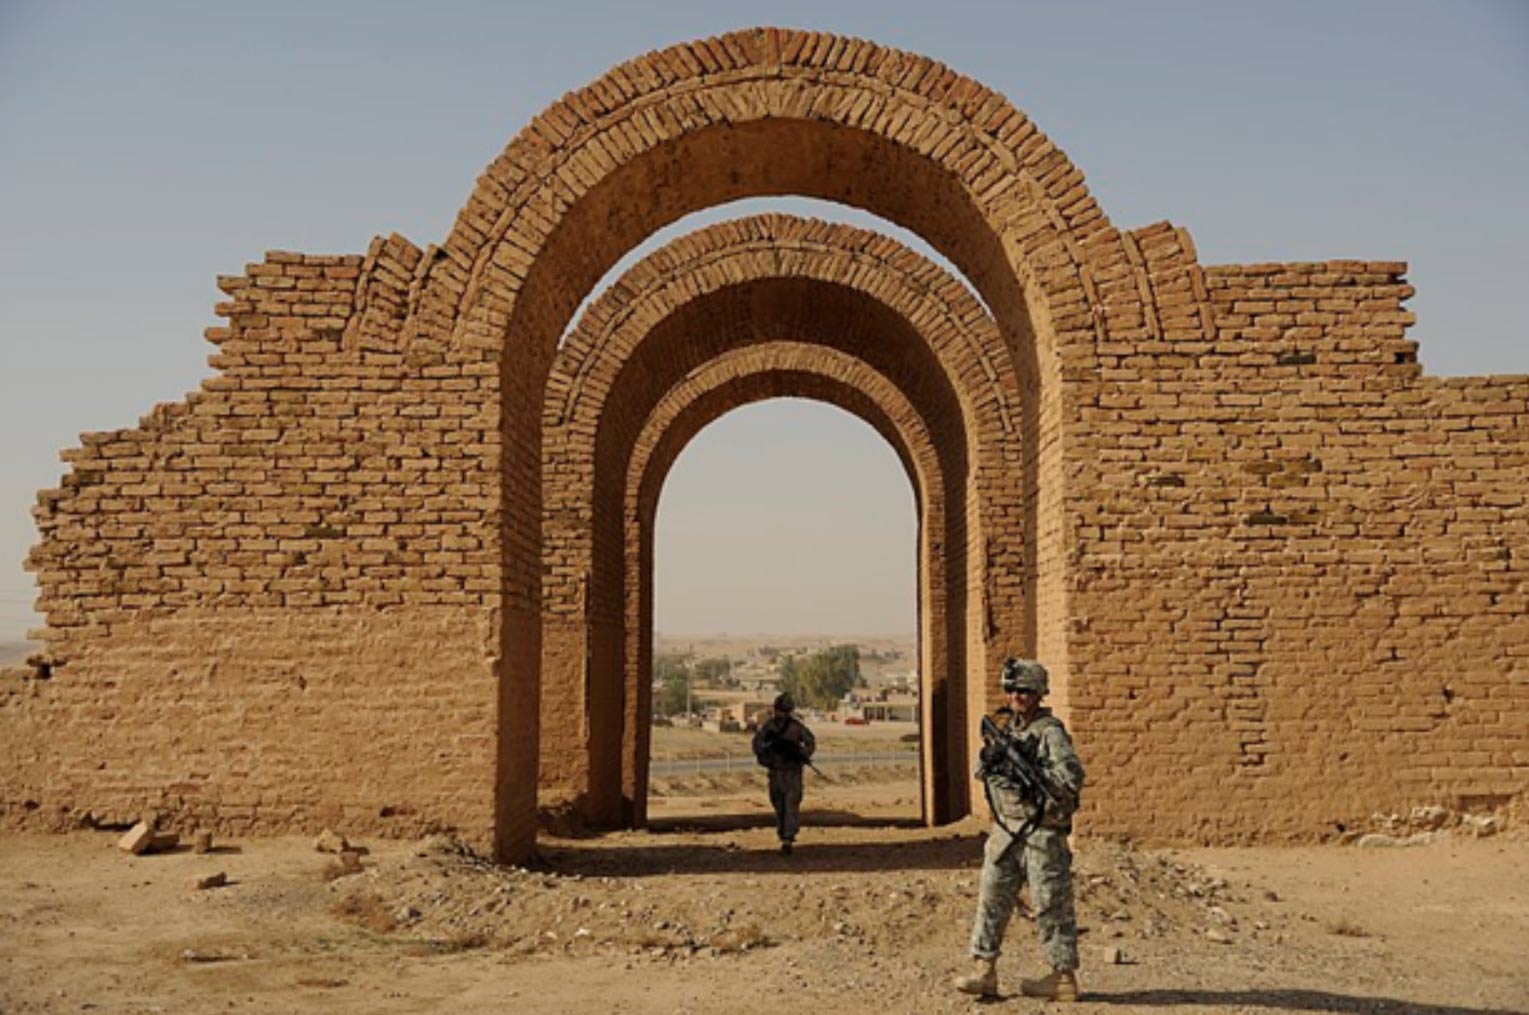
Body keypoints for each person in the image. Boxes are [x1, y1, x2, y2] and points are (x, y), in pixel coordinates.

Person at [955, 658, 1086, 1001]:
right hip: (1007, 830)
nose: (1018, 697)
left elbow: (1071, 778)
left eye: (1026, 690)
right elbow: (982, 773)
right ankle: (984, 969)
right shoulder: (1007, 728)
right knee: (992, 898)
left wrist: (1035, 778)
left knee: (1050, 902)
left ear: (1040, 693)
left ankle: (1062, 977)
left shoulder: (1050, 733)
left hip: (1041, 831)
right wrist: (994, 763)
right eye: (1012, 690)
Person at [751, 692, 816, 854]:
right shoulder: (770, 727)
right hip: (777, 771)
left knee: (791, 804)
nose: (780, 713)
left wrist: (800, 754)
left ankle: (788, 836)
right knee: (779, 804)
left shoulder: (795, 727)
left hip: (791, 772)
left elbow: (810, 742)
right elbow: (758, 744)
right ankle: (784, 834)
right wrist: (767, 757)